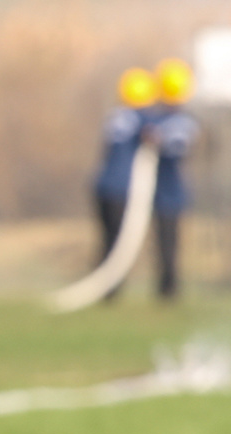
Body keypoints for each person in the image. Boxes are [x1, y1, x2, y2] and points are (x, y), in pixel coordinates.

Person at [91, 67, 158, 301]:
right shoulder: (141, 117)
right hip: (121, 188)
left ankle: (104, 288)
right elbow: (155, 137)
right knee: (119, 241)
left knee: (107, 240)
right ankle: (110, 289)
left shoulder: (115, 115)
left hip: (102, 186)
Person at [146, 58, 200, 301]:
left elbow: (179, 146)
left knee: (169, 241)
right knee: (162, 241)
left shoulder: (181, 122)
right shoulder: (156, 118)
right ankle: (165, 286)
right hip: (155, 190)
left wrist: (160, 140)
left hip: (170, 191)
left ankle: (169, 288)